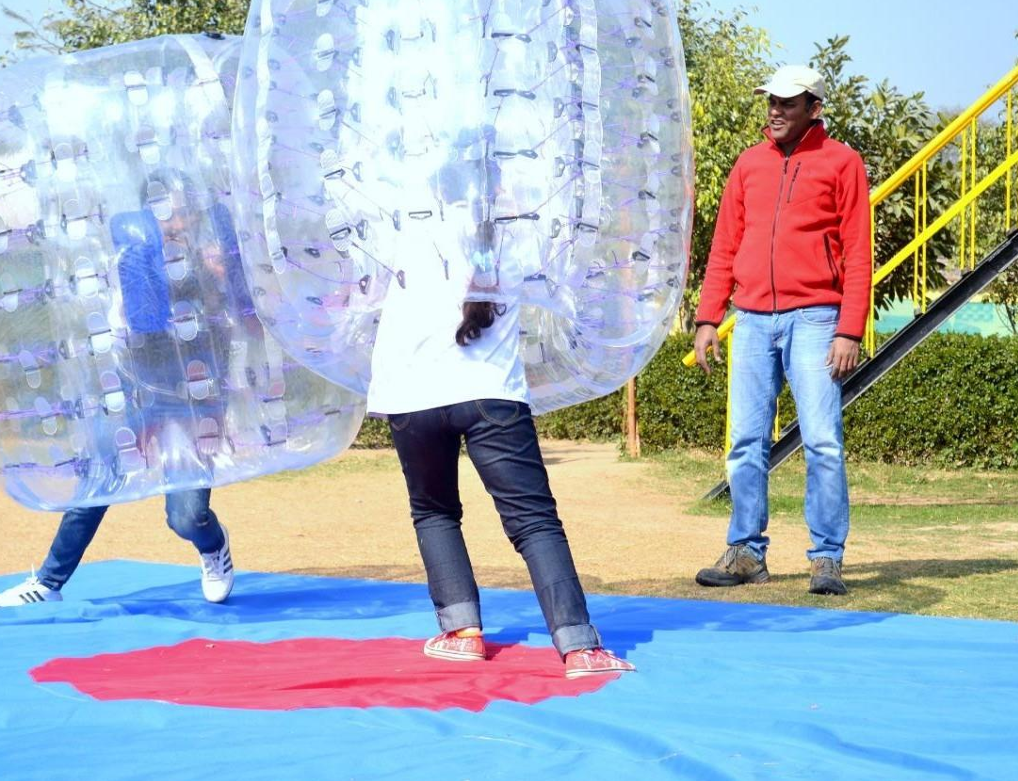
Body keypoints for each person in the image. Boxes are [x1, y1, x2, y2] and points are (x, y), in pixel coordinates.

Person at [367, 174, 632, 679]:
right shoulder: (518, 232)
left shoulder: (400, 223)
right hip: (491, 391)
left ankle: (462, 631)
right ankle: (579, 644)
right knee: (534, 521)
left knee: (434, 511)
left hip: (410, 394)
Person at [0, 171, 236, 608]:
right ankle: (48, 583)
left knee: (185, 517)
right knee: (99, 481)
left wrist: (217, 280)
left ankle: (213, 545)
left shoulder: (209, 261)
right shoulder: (133, 260)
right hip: (138, 390)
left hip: (191, 401)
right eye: (167, 213)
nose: (177, 222)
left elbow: (230, 330)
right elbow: (118, 331)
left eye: (184, 213)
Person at [691, 65, 872, 596]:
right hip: (750, 319)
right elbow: (725, 245)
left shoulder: (842, 162)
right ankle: (746, 552)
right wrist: (708, 318)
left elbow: (858, 252)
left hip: (816, 318)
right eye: (771, 101)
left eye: (787, 103)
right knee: (745, 442)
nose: (775, 110)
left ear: (814, 108)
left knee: (822, 442)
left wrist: (849, 329)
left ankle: (826, 558)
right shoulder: (749, 164)